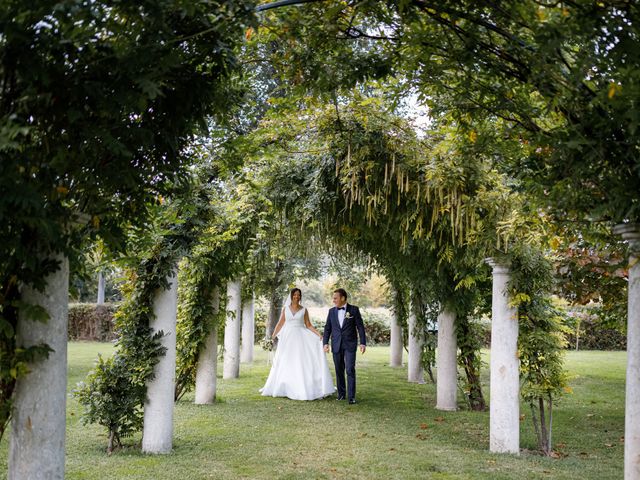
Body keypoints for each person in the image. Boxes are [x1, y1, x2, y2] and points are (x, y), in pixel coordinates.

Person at [260, 288, 335, 400]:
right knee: (286, 360)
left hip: (300, 337)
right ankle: (284, 386)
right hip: (287, 338)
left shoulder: (304, 310)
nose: (296, 296)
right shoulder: (285, 309)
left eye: (298, 295)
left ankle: (300, 386)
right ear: (291, 296)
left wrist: (319, 334)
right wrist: (272, 337)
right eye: (295, 294)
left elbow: (308, 324)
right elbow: (280, 324)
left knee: (299, 361)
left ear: (300, 297)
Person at [323, 288, 366, 404]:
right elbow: (328, 328)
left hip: (350, 344)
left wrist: (362, 343)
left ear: (343, 298)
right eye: (333, 298)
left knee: (350, 369)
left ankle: (351, 397)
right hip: (336, 344)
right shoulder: (331, 311)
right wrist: (325, 343)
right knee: (338, 370)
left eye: (335, 298)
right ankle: (341, 394)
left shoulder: (354, 310)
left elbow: (360, 327)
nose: (333, 300)